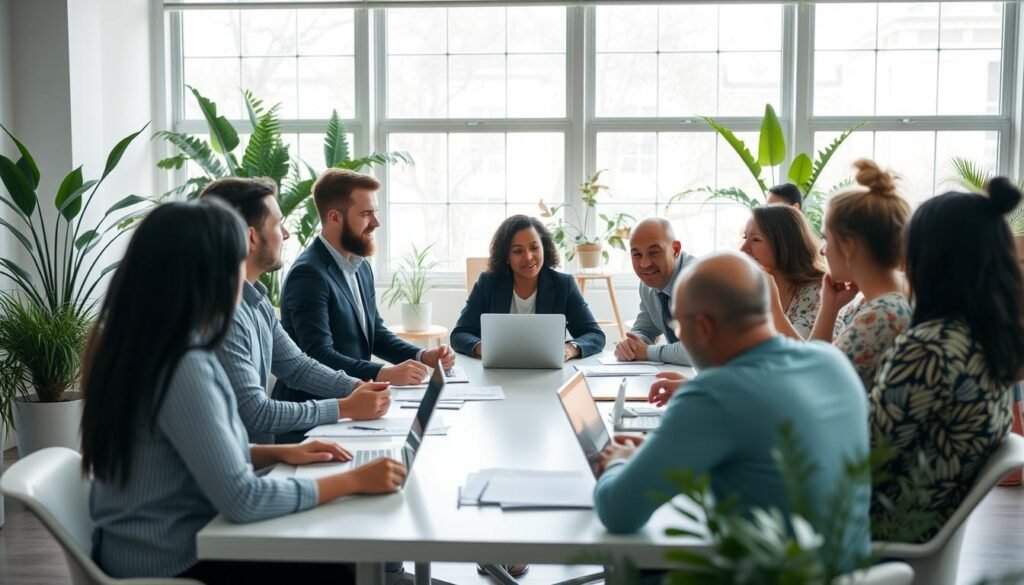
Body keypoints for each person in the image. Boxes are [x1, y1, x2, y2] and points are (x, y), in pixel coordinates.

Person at [81, 200, 405, 584]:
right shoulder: (182, 363)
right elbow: (242, 500)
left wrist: (279, 451)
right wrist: (353, 481)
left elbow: (183, 454)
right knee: (336, 569)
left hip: (143, 548)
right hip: (173, 562)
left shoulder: (139, 344)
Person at [593, 252, 870, 569]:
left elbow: (618, 512)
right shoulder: (832, 361)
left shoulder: (715, 394)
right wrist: (663, 457)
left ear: (704, 327)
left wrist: (617, 463)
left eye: (679, 327)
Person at [870, 178, 1024, 541]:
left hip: (875, 529)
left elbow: (864, 455)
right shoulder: (988, 344)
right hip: (921, 526)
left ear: (933, 260)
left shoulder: (930, 349)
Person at [199, 178, 391, 445]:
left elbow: (297, 367)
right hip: (245, 469)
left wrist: (356, 387)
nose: (286, 234)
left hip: (260, 459)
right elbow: (256, 413)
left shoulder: (257, 302)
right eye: (278, 224)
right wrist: (345, 407)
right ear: (251, 236)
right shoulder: (222, 315)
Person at [275, 169, 455, 410]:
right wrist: (383, 373)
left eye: (375, 213)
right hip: (314, 410)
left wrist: (422, 356)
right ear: (335, 217)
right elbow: (318, 355)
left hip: (353, 403)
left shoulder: (361, 267)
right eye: (366, 214)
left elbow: (375, 333)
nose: (375, 223)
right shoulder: (308, 274)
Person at [808, 160, 912, 388]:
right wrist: (830, 307)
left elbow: (811, 381)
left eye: (826, 238)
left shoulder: (882, 316)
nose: (822, 249)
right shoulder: (882, 298)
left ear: (849, 245)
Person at [451, 214, 606, 360]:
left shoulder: (563, 285)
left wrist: (570, 349)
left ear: (544, 247)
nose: (528, 257)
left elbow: (595, 335)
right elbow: (460, 334)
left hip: (547, 373)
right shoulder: (488, 283)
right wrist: (482, 348)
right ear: (506, 256)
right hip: (498, 370)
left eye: (534, 247)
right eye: (518, 251)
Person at [613, 217, 695, 365]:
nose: (644, 264)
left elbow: (698, 350)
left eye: (654, 252)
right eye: (637, 254)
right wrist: (630, 345)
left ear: (675, 250)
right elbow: (645, 329)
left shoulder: (699, 280)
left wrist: (646, 352)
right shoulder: (648, 284)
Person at [741, 204, 826, 339]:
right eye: (745, 238)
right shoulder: (748, 289)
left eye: (756, 239)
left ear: (784, 244)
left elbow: (802, 354)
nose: (744, 248)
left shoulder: (820, 292)